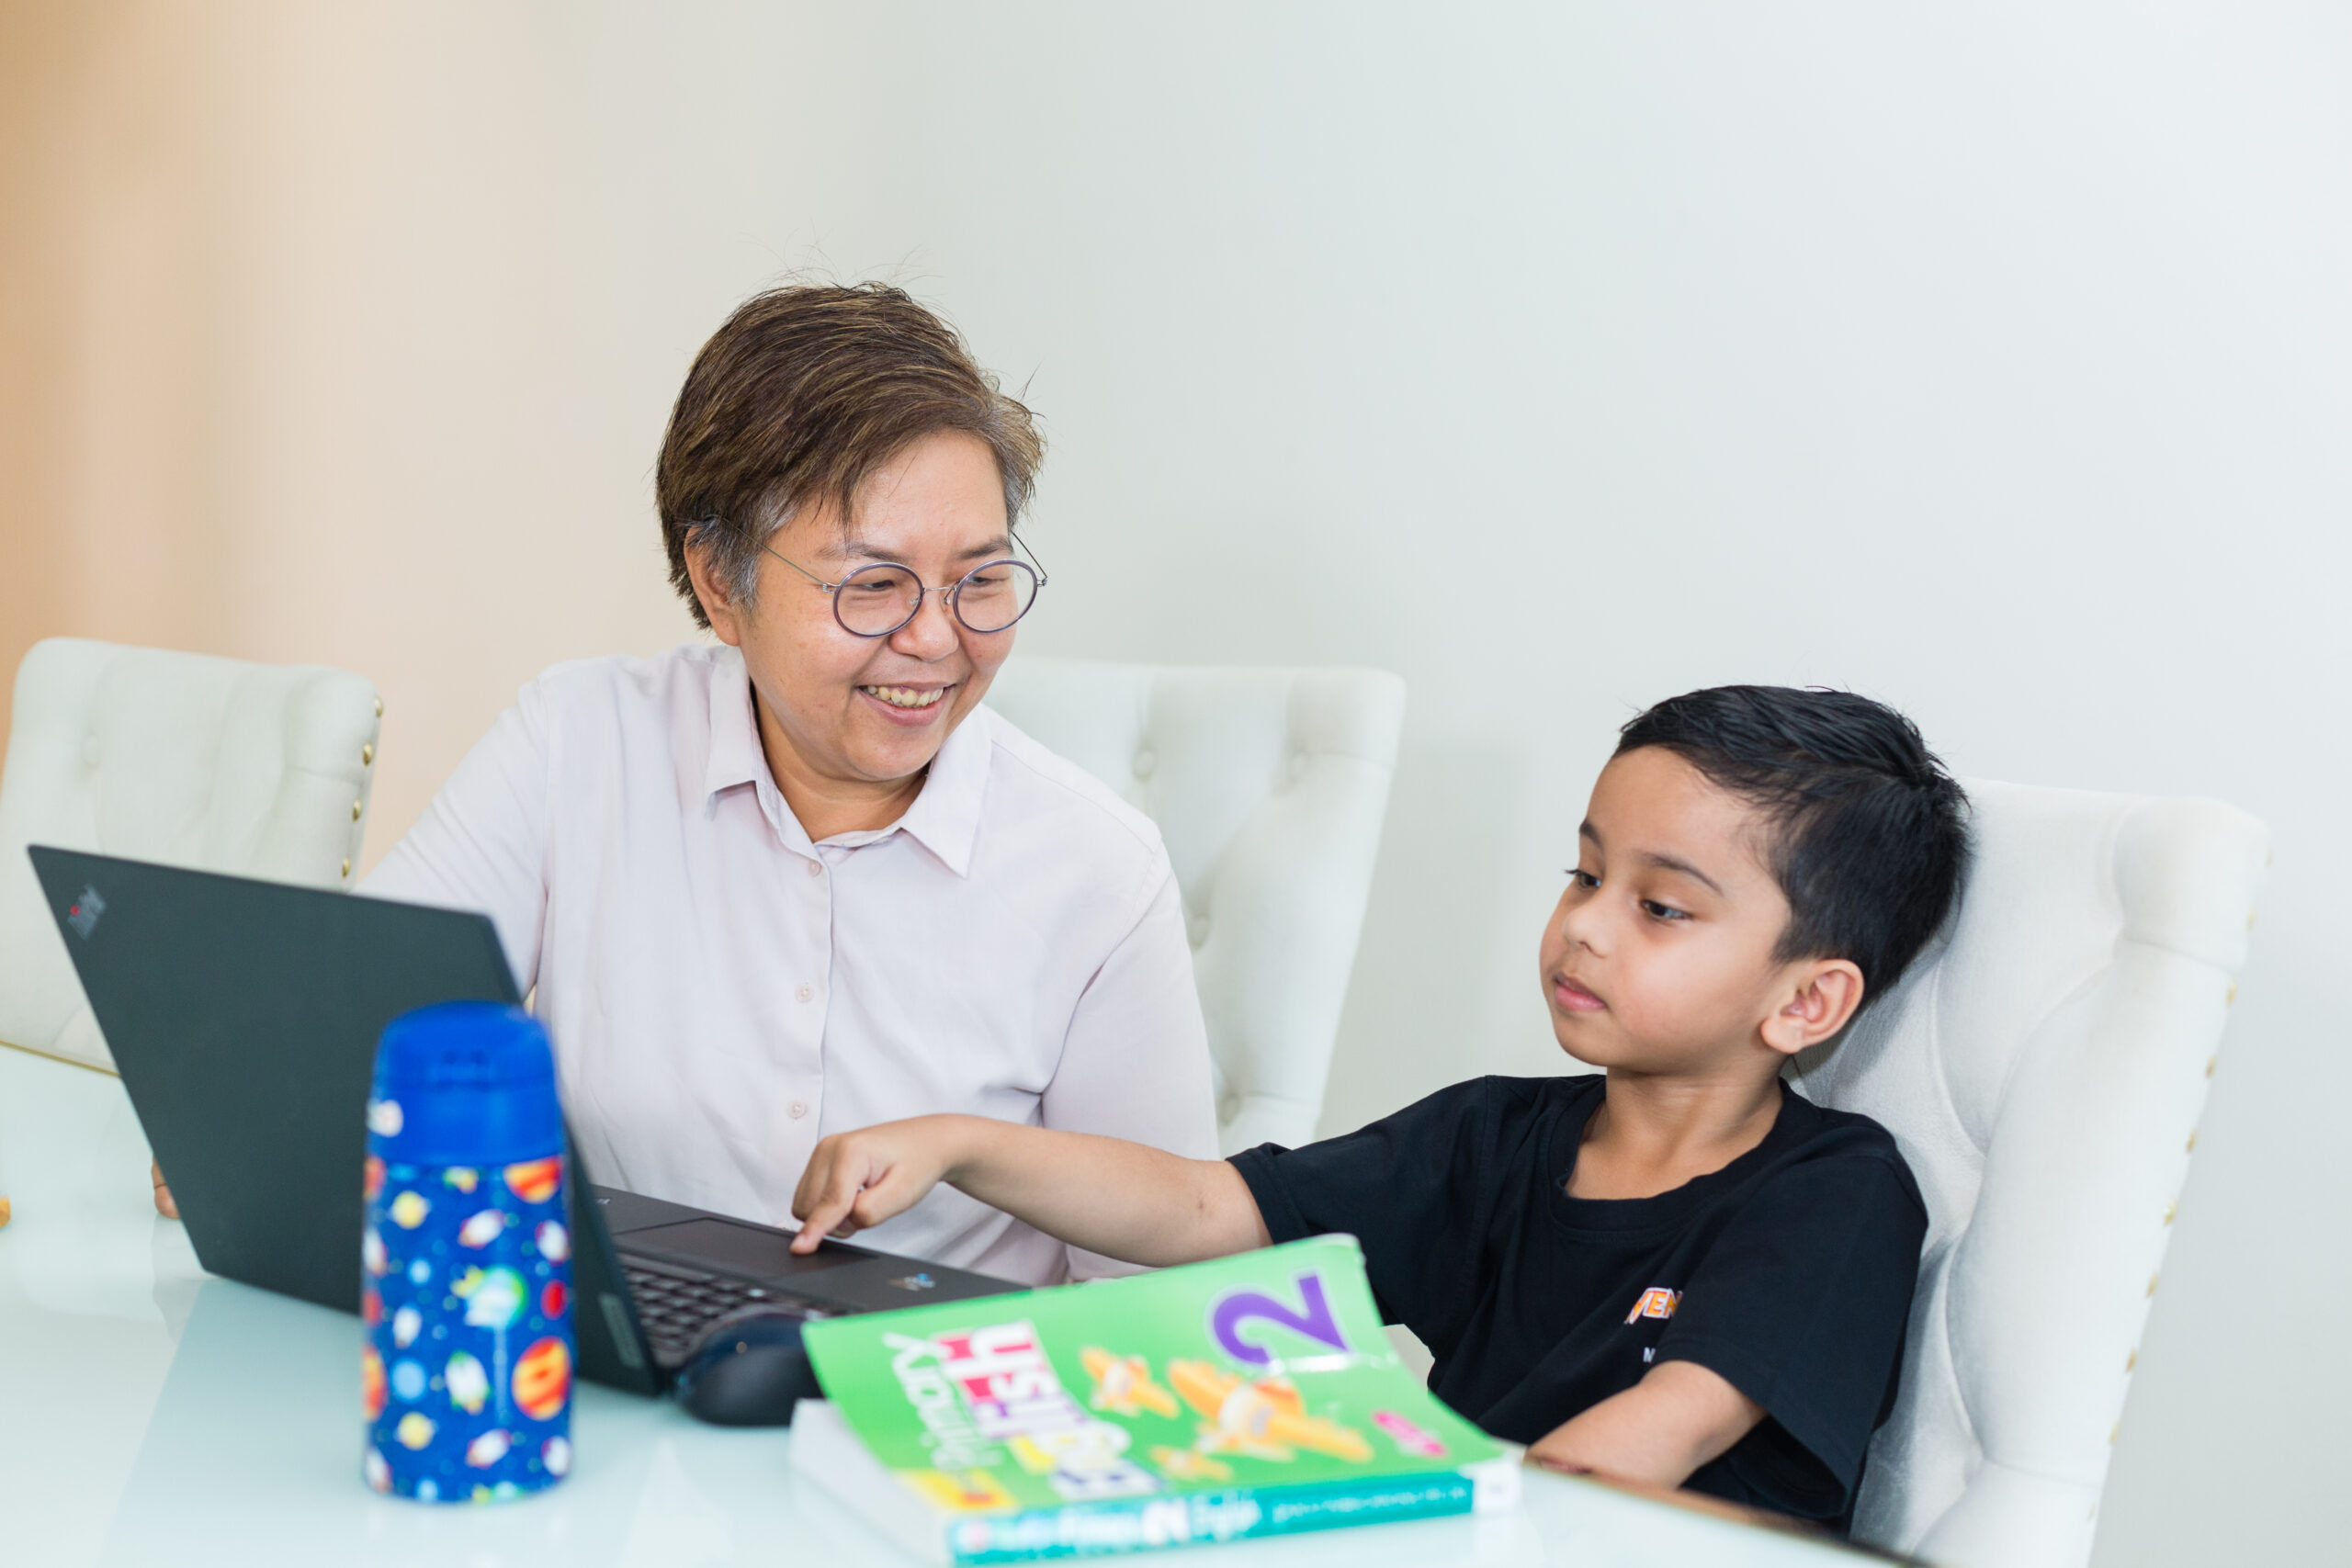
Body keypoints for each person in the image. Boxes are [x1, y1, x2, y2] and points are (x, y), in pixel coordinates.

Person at [158, 284, 1218, 1284]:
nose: (936, 638)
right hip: (605, 1380)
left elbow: (1169, 1275)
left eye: (979, 580)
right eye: (873, 584)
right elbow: (352, 1042)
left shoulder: (1093, 870)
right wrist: (265, 1125)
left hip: (927, 1425)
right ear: (720, 581)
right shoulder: (580, 742)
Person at [786, 685, 1969, 1532]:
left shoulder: (1835, 1191)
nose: (1587, 923)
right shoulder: (1492, 1138)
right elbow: (1207, 1207)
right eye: (1586, 873)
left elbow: (1645, 1445)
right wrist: (959, 1144)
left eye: (1662, 908)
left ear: (1808, 1002)